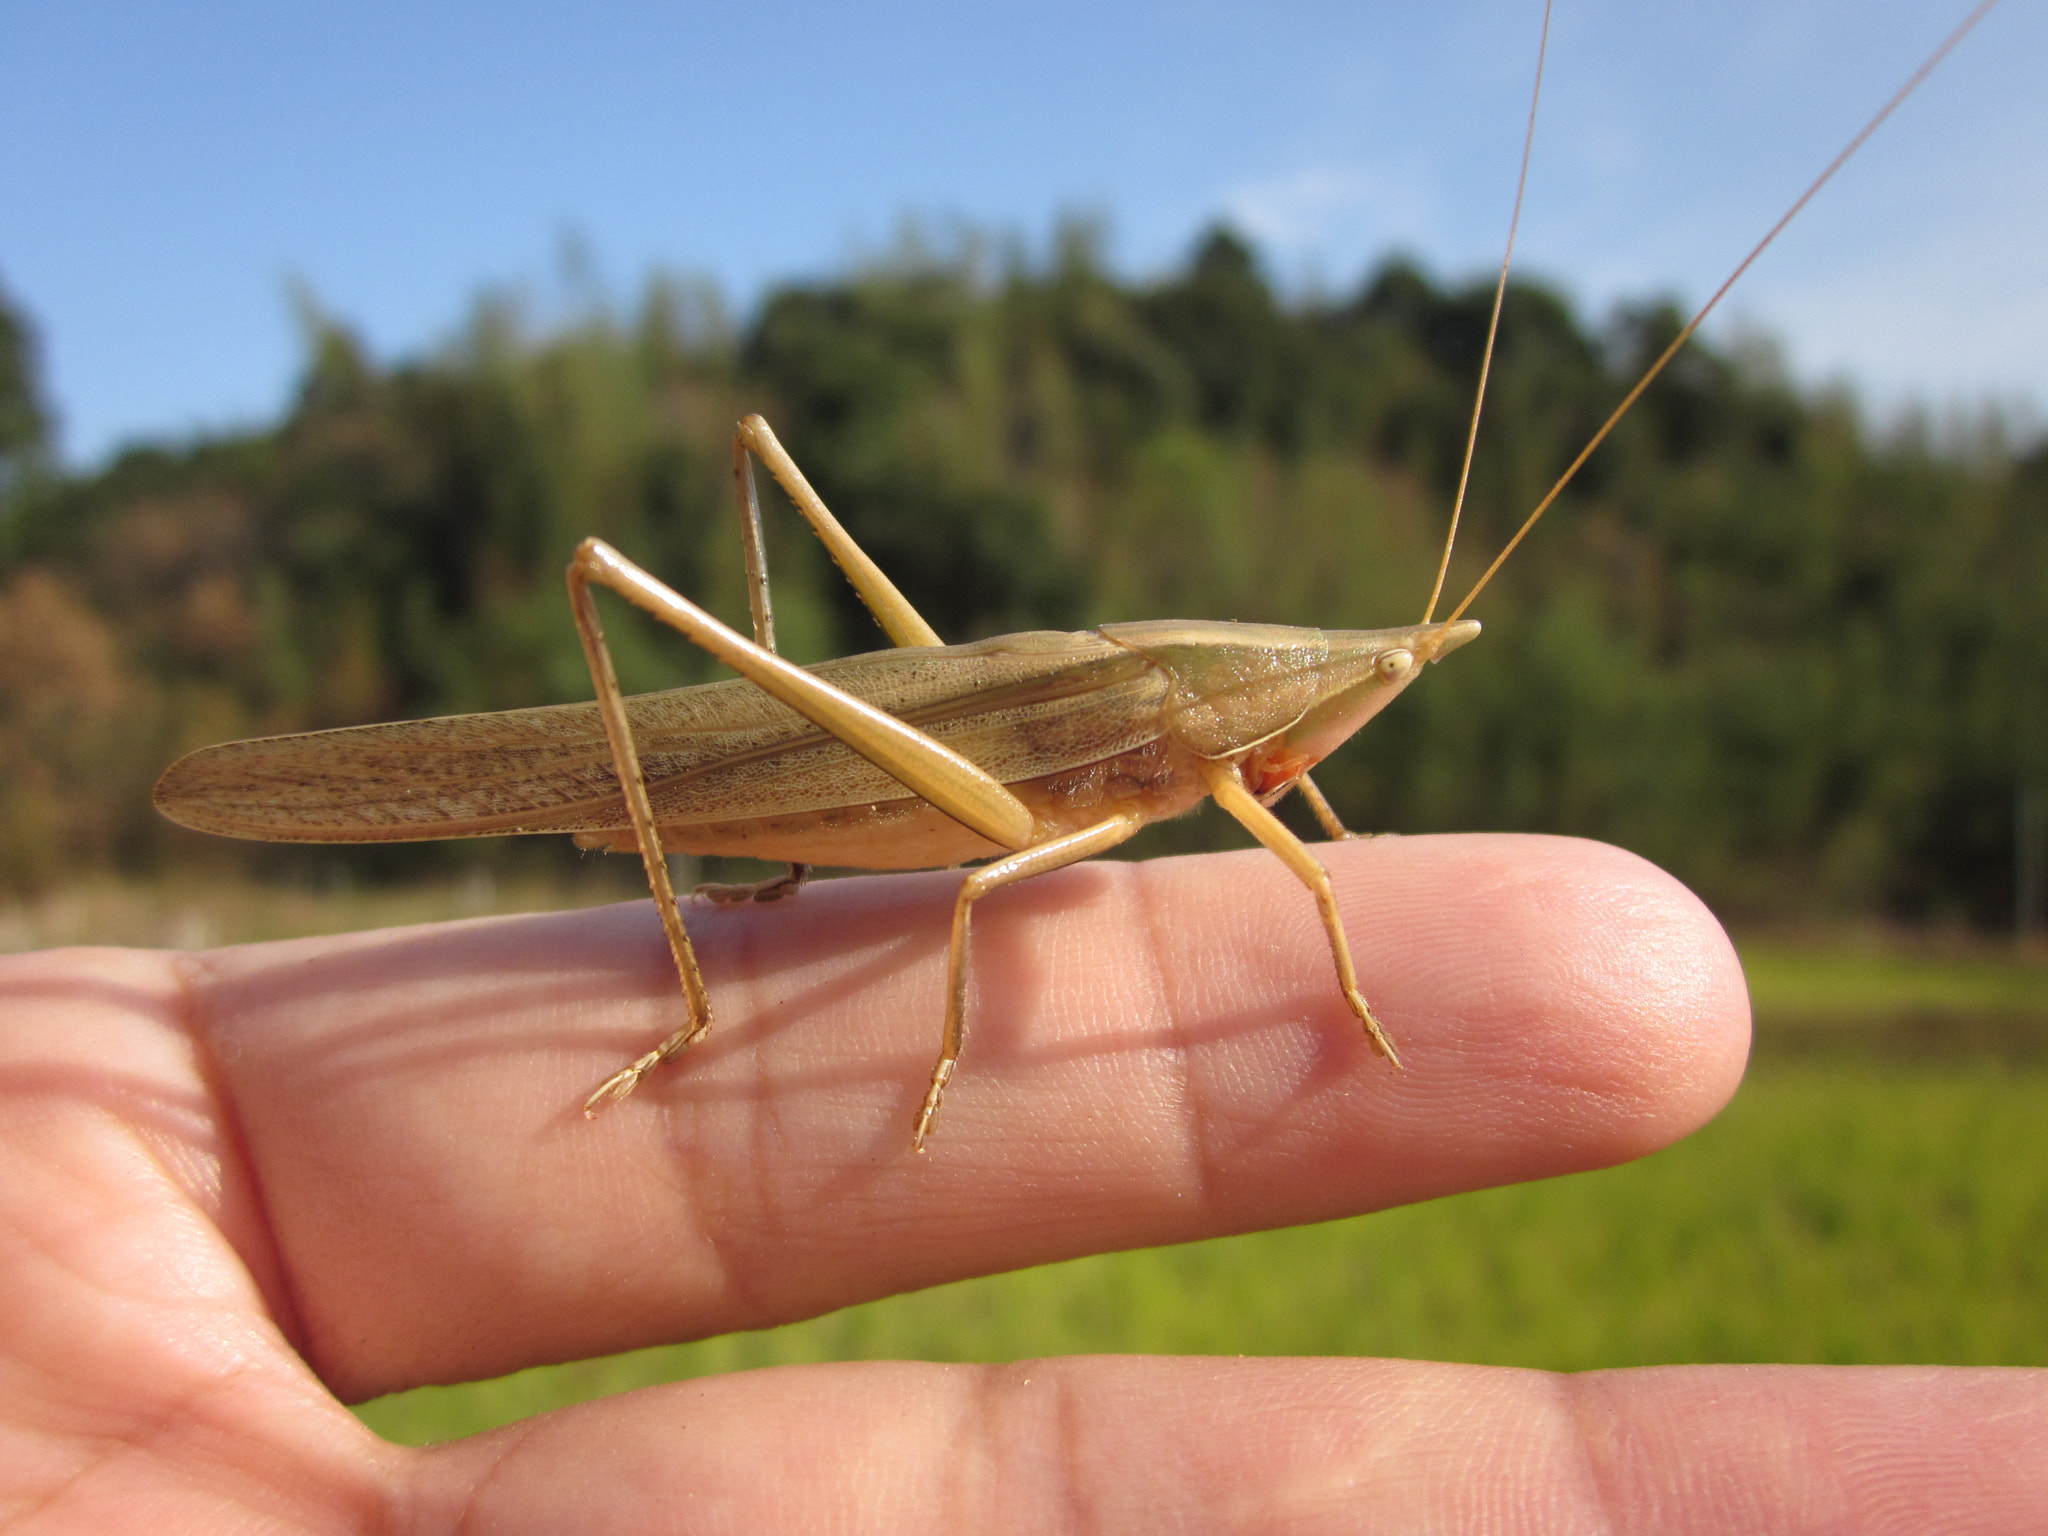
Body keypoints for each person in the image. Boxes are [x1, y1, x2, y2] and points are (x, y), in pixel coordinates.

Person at [4, 832, 2040, 1531]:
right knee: (977, 871)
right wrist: (952, 1045)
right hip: (944, 792)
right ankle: (707, 970)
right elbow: (1016, 868)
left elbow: (1289, 824)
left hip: (972, 783)